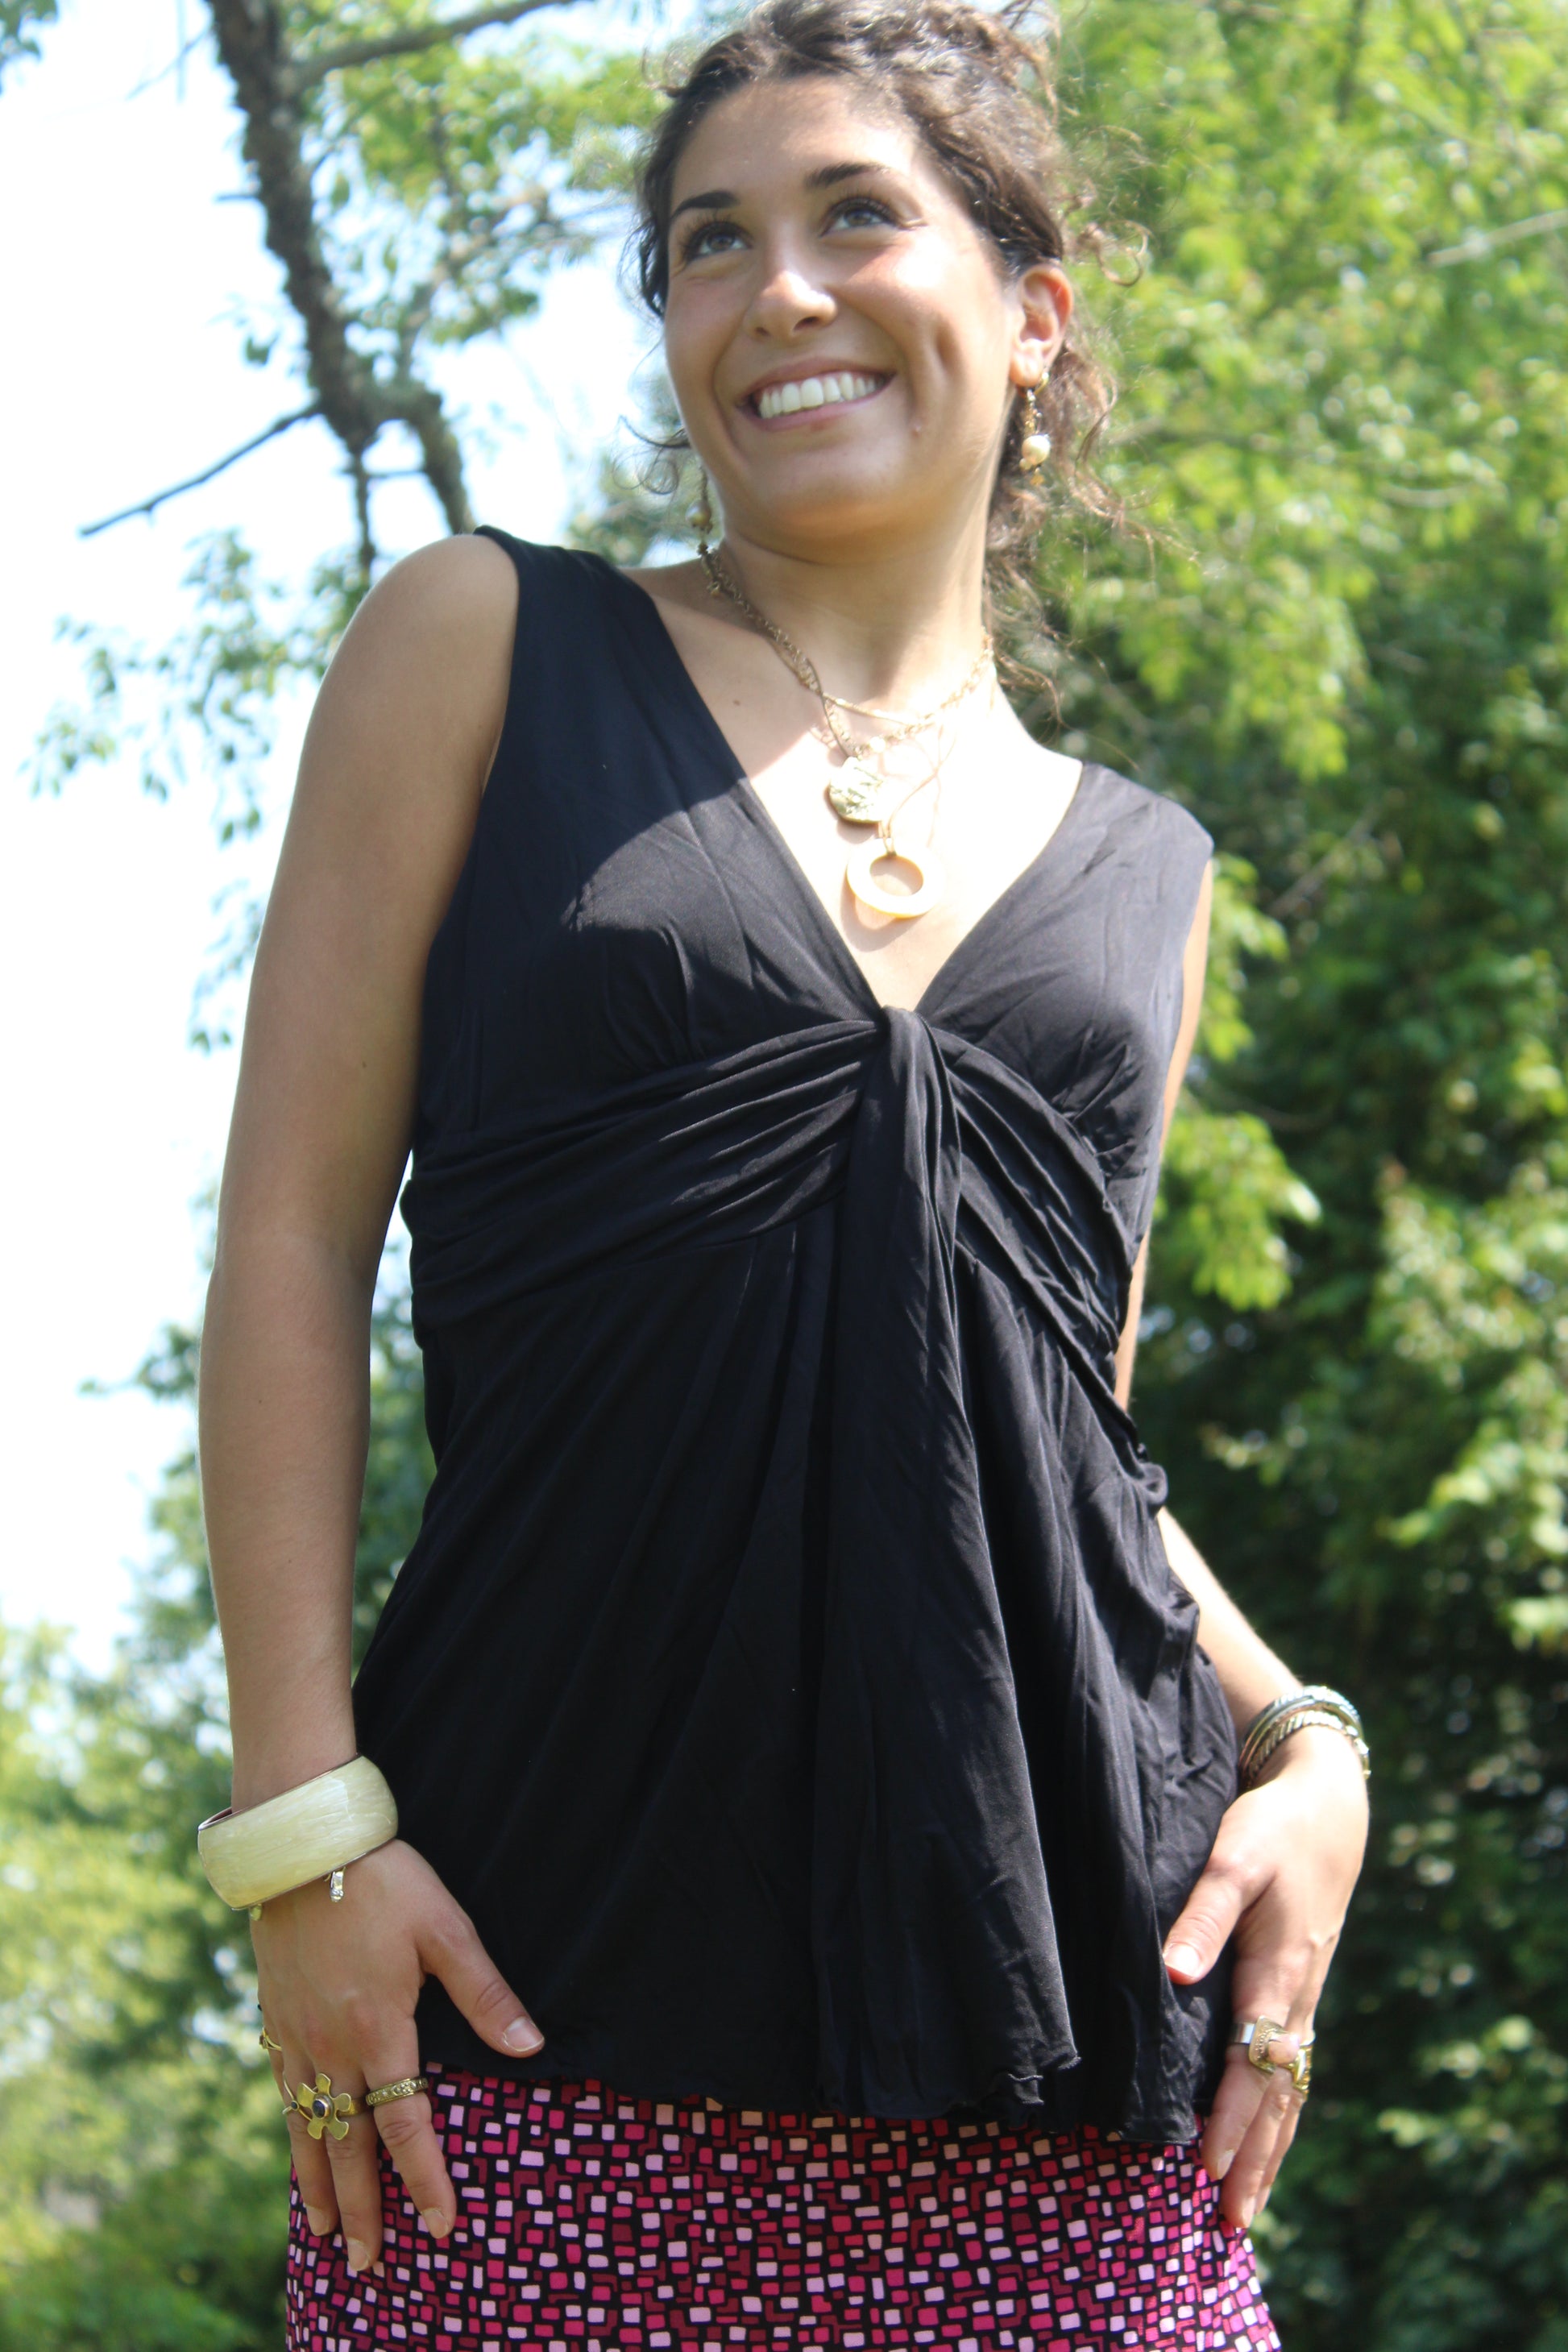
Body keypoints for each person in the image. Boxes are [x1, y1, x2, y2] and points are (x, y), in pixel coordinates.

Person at [196, 4, 1371, 2346]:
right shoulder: (481, 647)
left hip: (1071, 2066)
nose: (780, 290)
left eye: (856, 215)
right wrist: (301, 1828)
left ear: (1033, 315)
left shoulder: (1148, 873)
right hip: (521, 2016)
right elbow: (291, 1247)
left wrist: (1308, 1744)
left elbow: (1057, 1446)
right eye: (708, 245)